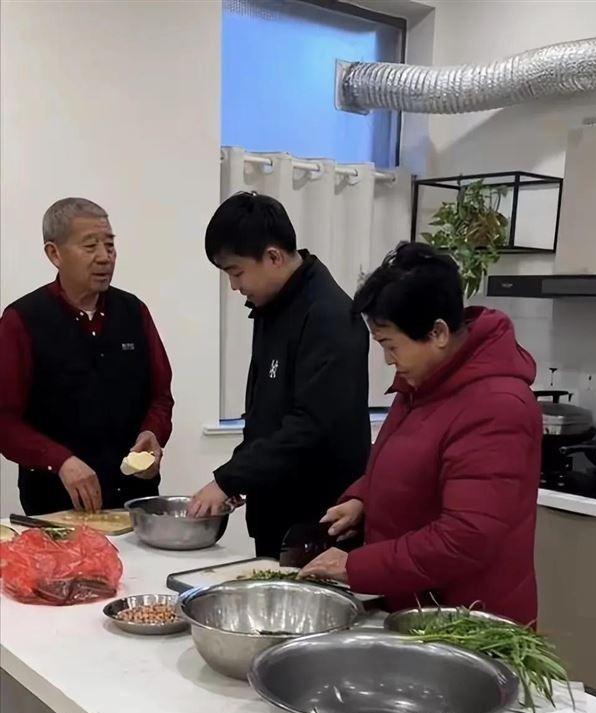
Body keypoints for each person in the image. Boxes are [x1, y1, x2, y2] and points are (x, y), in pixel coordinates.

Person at [300, 241, 542, 625]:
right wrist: (363, 497)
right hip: (418, 607)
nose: (388, 360)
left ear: (438, 332)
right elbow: (410, 461)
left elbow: (465, 537)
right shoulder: (424, 380)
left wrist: (356, 566)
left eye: (391, 345)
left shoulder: (498, 406)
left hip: (468, 623)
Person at [188, 192, 371, 558]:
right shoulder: (273, 305)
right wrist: (241, 475)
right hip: (275, 511)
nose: (234, 286)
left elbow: (311, 425)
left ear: (273, 256)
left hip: (318, 520)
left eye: (236, 272)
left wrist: (227, 479)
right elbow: (265, 415)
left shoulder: (329, 316)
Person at [0, 198, 174, 515]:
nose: (105, 257)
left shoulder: (133, 311)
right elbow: (5, 421)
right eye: (91, 246)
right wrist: (60, 461)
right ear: (54, 254)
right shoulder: (21, 320)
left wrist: (152, 433)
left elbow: (160, 396)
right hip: (55, 505)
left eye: (110, 245)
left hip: (134, 502)